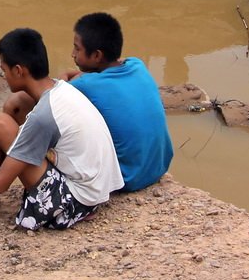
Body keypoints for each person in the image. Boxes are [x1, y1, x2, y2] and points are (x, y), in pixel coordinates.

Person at [0, 28, 122, 230]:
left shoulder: (42, 117)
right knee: (14, 110)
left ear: (18, 70)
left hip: (75, 203)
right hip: (96, 192)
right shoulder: (61, 89)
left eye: (4, 70)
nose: (4, 76)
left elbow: (0, 183)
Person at [65, 13, 172, 192]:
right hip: (158, 168)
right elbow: (92, 77)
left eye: (77, 49)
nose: (72, 54)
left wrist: (63, 78)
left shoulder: (86, 86)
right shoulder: (137, 65)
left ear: (97, 55)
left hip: (126, 179)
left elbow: (50, 97)